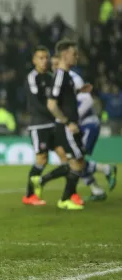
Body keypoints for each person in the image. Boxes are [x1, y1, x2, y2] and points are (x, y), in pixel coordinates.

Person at [50, 55, 117, 201]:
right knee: (74, 159)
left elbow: (87, 100)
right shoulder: (57, 79)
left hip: (87, 124)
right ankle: (97, 190)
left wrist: (73, 120)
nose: (54, 67)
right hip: (77, 125)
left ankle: (106, 169)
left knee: (75, 160)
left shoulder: (73, 78)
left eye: (57, 64)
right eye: (52, 65)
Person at [22, 46, 68, 206]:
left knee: (65, 157)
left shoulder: (51, 77)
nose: (44, 61)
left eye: (46, 57)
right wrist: (57, 114)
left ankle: (49, 184)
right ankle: (29, 195)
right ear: (34, 60)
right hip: (39, 125)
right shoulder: (32, 77)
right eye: (40, 58)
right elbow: (36, 104)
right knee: (42, 159)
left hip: (53, 125)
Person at [46, 39, 86, 210]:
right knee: (77, 161)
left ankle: (66, 197)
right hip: (67, 127)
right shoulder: (61, 75)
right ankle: (65, 198)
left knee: (78, 161)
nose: (76, 57)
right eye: (74, 53)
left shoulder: (68, 75)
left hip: (72, 125)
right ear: (65, 54)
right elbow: (51, 104)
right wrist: (67, 122)